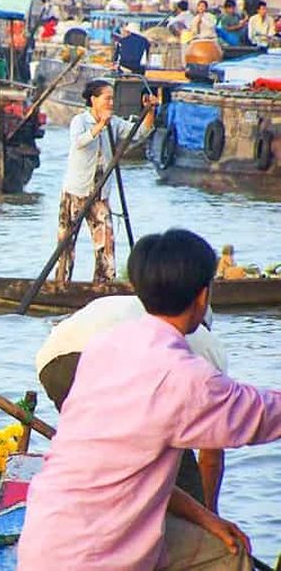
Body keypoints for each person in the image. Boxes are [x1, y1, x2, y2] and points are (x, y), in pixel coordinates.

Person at [19, 228, 281, 571]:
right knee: (232, 559)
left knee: (223, 550)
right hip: (94, 556)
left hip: (44, 536)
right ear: (203, 296)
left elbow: (132, 470)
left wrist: (207, 518)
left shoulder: (107, 345)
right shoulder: (185, 376)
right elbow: (262, 415)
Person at [36, 295, 227, 512]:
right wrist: (209, 513)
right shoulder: (206, 345)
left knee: (107, 458)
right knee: (178, 476)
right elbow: (211, 455)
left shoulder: (135, 307)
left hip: (53, 364)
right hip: (104, 361)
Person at [54, 80, 156, 285]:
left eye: (112, 98)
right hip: (75, 192)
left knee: (106, 243)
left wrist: (150, 111)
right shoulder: (80, 121)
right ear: (94, 100)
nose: (111, 102)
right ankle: (61, 284)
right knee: (66, 243)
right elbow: (79, 142)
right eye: (107, 98)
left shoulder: (114, 123)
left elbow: (140, 132)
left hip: (100, 195)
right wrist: (100, 125)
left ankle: (104, 284)